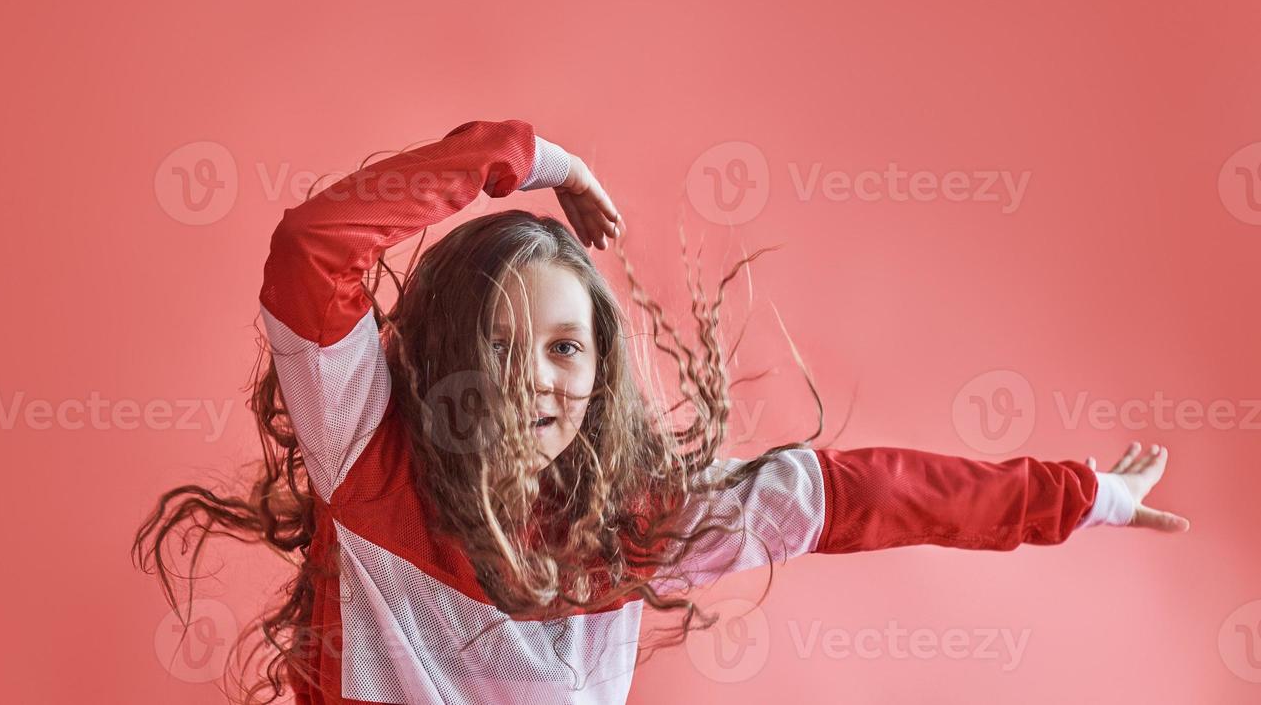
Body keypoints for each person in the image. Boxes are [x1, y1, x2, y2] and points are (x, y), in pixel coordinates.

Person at [135, 118, 1188, 705]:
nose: (531, 378)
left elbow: (855, 494)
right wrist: (526, 157)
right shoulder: (364, 451)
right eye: (495, 345)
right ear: (440, 359)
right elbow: (311, 246)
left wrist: (1082, 495)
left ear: (599, 375)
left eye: (562, 348)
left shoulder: (636, 533)